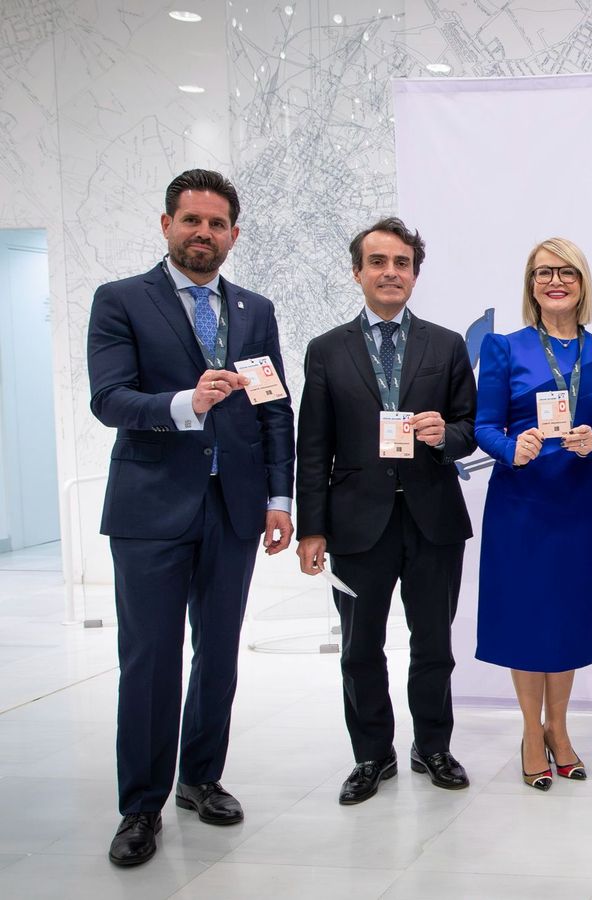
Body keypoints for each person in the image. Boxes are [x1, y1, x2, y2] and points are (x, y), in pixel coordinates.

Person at [87, 169, 295, 866]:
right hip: (150, 509)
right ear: (166, 224)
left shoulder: (255, 310)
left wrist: (278, 499)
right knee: (148, 660)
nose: (203, 233)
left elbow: (273, 409)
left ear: (234, 234)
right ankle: (140, 805)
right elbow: (110, 399)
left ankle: (200, 777)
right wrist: (186, 403)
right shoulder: (121, 301)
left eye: (216, 223)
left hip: (232, 510)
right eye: (191, 220)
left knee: (218, 654)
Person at [296, 217, 478, 804]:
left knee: (434, 644)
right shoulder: (325, 350)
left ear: (415, 274)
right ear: (358, 272)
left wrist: (442, 434)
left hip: (433, 520)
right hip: (354, 525)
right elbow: (312, 446)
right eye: (378, 262)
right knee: (360, 648)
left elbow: (470, 430)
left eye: (401, 263)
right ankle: (373, 754)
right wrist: (312, 528)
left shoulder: (446, 345)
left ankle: (433, 745)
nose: (390, 272)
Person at [475, 237, 592, 790]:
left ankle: (559, 729)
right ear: (531, 284)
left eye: (566, 272)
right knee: (525, 615)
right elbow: (484, 424)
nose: (555, 281)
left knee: (565, 615)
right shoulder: (503, 348)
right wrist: (507, 447)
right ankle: (529, 732)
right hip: (520, 502)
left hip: (577, 503)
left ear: (582, 282)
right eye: (544, 273)